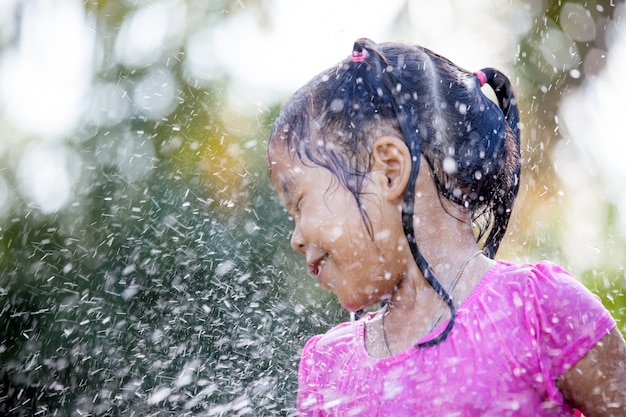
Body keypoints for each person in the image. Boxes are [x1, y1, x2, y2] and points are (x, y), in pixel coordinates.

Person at [266, 38, 626, 416]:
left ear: (389, 171)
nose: (296, 238)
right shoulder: (328, 369)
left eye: (299, 204)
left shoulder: (538, 312)